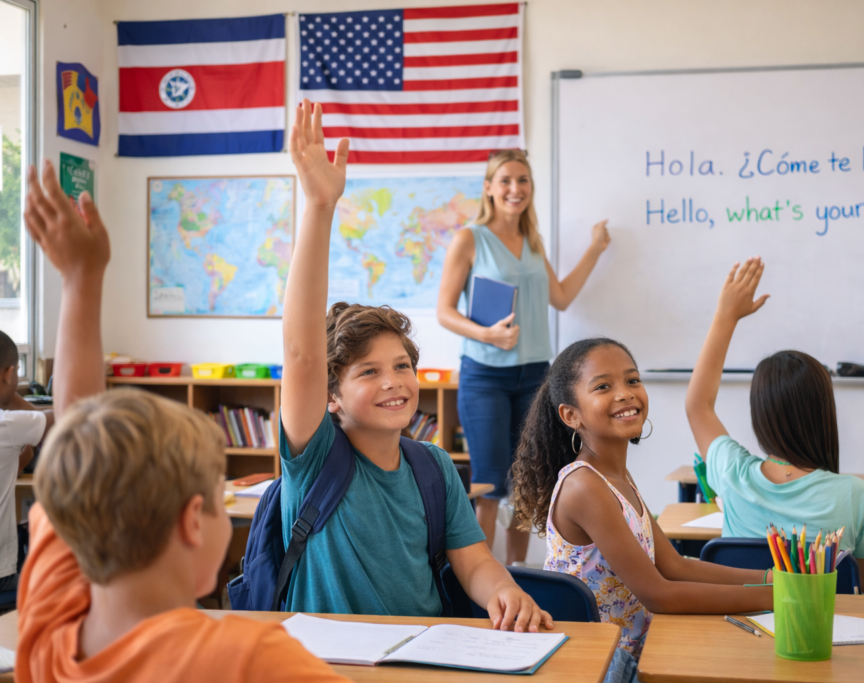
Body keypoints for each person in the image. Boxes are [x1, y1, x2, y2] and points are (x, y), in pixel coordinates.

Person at [18, 161, 348, 681]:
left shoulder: (49, 634)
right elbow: (76, 432)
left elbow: (76, 432)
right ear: (193, 520)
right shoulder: (254, 660)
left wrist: (79, 280)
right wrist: (83, 279)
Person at [278, 99, 552, 631]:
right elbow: (302, 353)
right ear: (330, 395)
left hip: (425, 658)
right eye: (368, 372)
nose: (393, 382)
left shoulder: (433, 467)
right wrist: (319, 207)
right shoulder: (314, 457)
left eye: (402, 366)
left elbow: (473, 561)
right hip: (333, 666)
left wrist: (504, 591)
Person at [511, 337, 773, 682]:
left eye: (632, 380)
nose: (625, 393)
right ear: (571, 415)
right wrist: (776, 597)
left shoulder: (617, 477)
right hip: (601, 664)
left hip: (637, 650)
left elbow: (675, 566)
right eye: (603, 386)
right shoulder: (584, 486)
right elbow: (659, 594)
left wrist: (772, 578)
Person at [437, 149, 611, 563]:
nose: (515, 189)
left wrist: (596, 249)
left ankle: (515, 573)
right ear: (490, 189)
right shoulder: (470, 238)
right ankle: (475, 580)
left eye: (523, 181)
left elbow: (562, 298)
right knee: (490, 485)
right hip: (485, 376)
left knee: (526, 484)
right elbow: (444, 311)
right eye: (506, 181)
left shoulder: (533, 241)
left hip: (536, 376)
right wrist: (486, 334)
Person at [684, 257, 864, 593]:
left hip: (741, 627)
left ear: (759, 414)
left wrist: (726, 316)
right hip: (820, 633)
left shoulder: (732, 473)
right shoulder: (853, 494)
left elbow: (697, 405)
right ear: (824, 412)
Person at [0, 330, 53, 592]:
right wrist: (8, 395)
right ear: (8, 374)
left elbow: (10, 470)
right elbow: (66, 418)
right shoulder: (8, 425)